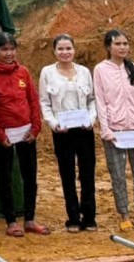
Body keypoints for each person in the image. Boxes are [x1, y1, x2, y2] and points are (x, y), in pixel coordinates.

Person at [0, 32, 47, 238]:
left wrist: (36, 128)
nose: (9, 53)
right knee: (6, 178)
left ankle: (29, 219)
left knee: (30, 176)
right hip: (3, 135)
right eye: (4, 49)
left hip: (26, 133)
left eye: (12, 49)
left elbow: (33, 100)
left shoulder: (23, 72)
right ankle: (11, 221)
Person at [93, 29, 134, 231]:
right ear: (108, 47)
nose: (122, 47)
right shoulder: (101, 70)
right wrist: (106, 129)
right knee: (118, 176)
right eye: (117, 44)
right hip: (115, 133)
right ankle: (124, 215)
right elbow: (101, 101)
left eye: (125, 44)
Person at [40, 34, 98, 232]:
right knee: (67, 174)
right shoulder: (47, 72)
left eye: (68, 48)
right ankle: (73, 217)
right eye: (61, 49)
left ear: (74, 50)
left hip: (84, 129)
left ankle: (89, 217)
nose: (65, 52)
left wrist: (91, 119)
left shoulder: (84, 72)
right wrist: (53, 123)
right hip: (62, 131)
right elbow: (45, 102)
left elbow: (92, 100)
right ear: (54, 51)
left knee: (87, 172)